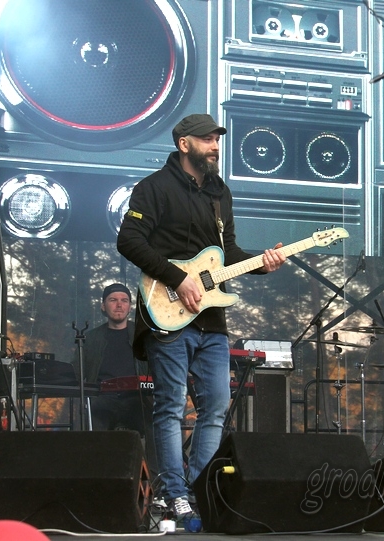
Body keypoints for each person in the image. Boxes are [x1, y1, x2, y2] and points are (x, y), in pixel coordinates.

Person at [116, 113, 286, 519]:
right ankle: (173, 492)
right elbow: (129, 239)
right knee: (171, 404)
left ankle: (201, 489)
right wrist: (178, 278)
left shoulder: (219, 192)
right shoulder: (154, 188)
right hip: (167, 315)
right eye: (207, 139)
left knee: (217, 406)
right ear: (184, 144)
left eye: (217, 139)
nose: (215, 146)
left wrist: (263, 264)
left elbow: (228, 253)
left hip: (211, 320)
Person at [72, 283, 150, 433]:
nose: (119, 305)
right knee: (94, 423)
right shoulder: (91, 338)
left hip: (137, 399)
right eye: (113, 300)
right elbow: (76, 372)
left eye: (124, 300)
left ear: (130, 307)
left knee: (154, 421)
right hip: (102, 399)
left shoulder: (143, 335)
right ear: (103, 306)